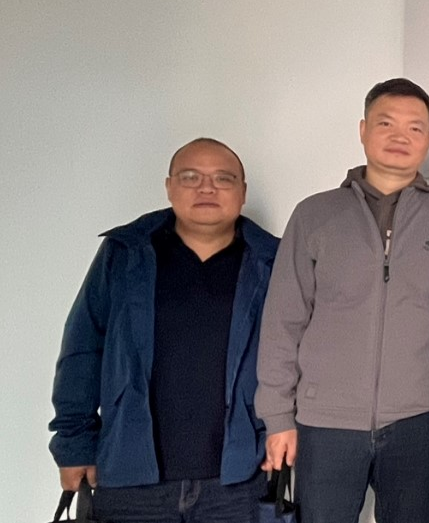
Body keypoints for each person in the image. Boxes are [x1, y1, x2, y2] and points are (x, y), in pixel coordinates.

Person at [256, 78, 429, 523]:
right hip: (325, 421)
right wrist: (279, 416)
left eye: (415, 128)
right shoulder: (314, 214)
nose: (401, 136)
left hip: (419, 419)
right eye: (386, 123)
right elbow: (283, 322)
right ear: (363, 130)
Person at [49, 138, 278, 522]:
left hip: (239, 480)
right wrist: (74, 445)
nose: (207, 188)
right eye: (191, 177)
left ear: (242, 192)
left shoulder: (272, 262)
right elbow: (83, 349)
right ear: (170, 187)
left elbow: (298, 357)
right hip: (132, 478)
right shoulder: (125, 254)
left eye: (223, 178)